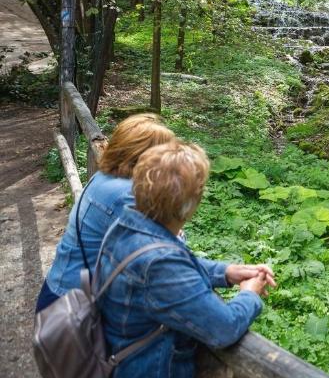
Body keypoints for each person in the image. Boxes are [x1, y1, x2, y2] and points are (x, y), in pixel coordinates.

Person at [37, 113, 271, 312]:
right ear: (146, 158)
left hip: (61, 293)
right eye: (164, 154)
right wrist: (243, 291)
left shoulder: (105, 178)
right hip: (76, 309)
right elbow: (170, 259)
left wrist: (226, 272)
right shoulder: (127, 196)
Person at [96, 141, 273, 378]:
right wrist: (249, 294)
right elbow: (224, 328)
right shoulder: (160, 264)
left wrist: (226, 272)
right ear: (189, 204)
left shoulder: (127, 224)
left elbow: (168, 268)